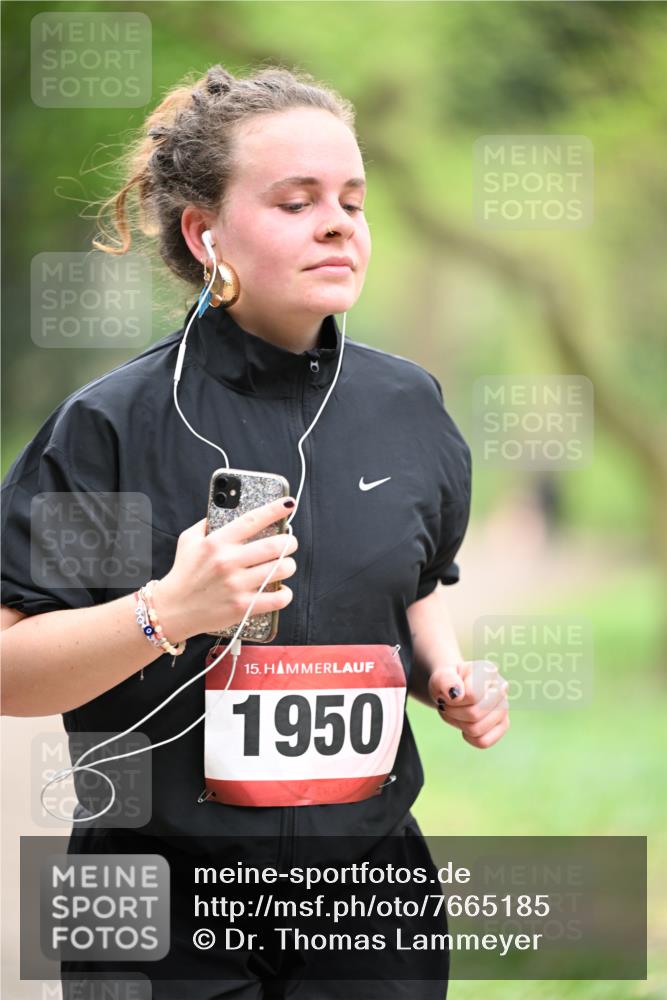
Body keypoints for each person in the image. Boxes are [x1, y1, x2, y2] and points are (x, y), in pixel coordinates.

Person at [1, 65, 509, 999]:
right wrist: (169, 609)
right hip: (153, 906)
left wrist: (445, 677)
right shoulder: (111, 425)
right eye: (295, 200)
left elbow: (419, 578)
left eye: (352, 200)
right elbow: (8, 671)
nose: (337, 222)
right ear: (205, 233)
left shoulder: (407, 405)